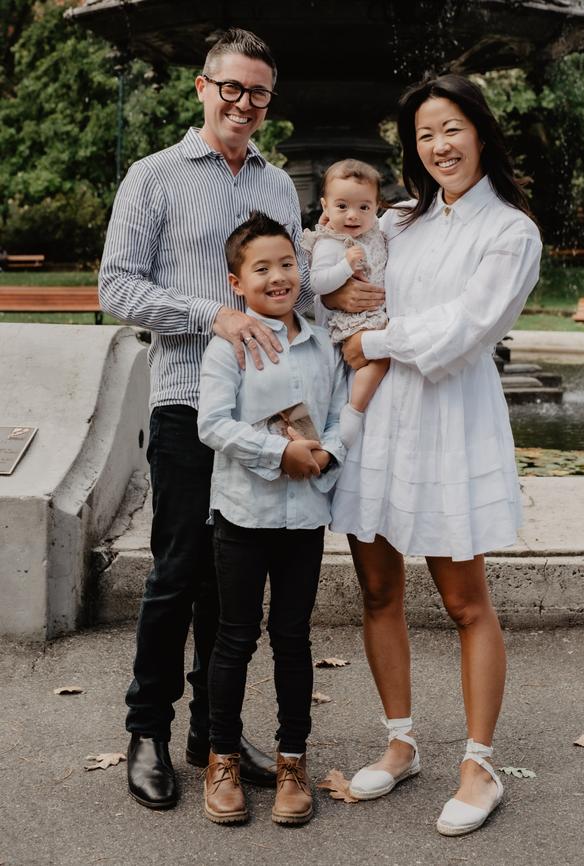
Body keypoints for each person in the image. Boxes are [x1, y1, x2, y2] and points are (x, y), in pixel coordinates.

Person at [99, 28, 310, 810]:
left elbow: (296, 286)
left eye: (258, 92)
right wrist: (210, 314)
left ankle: (211, 734)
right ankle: (146, 731)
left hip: (263, 415)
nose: (244, 103)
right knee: (178, 572)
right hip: (188, 400)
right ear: (201, 87)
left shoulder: (280, 186)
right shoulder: (153, 177)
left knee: (232, 590)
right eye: (232, 87)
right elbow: (116, 287)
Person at [331, 74, 543, 836]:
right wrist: (337, 305)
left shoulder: (511, 231)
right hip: (380, 420)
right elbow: (347, 282)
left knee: (464, 601)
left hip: (452, 423)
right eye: (424, 134)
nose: (439, 146)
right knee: (379, 592)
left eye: (450, 128)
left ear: (479, 131)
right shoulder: (399, 220)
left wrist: (374, 340)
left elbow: (464, 333)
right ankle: (400, 744)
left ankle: (479, 765)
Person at [197, 212, 347, 825]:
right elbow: (213, 424)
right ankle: (223, 757)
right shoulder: (225, 347)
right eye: (262, 268)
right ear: (238, 282)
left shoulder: (320, 347)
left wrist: (325, 454)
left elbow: (338, 419)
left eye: (287, 264)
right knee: (234, 638)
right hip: (243, 515)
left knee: (293, 638)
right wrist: (276, 453)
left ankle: (292, 761)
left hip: (303, 520)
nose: (278, 276)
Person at [302, 159, 390, 448]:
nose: (353, 215)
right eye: (342, 207)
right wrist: (346, 267)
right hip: (351, 322)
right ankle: (354, 412)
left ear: (377, 207)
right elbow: (317, 283)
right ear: (325, 207)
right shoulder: (330, 243)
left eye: (363, 207)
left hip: (375, 316)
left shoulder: (374, 235)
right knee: (379, 361)